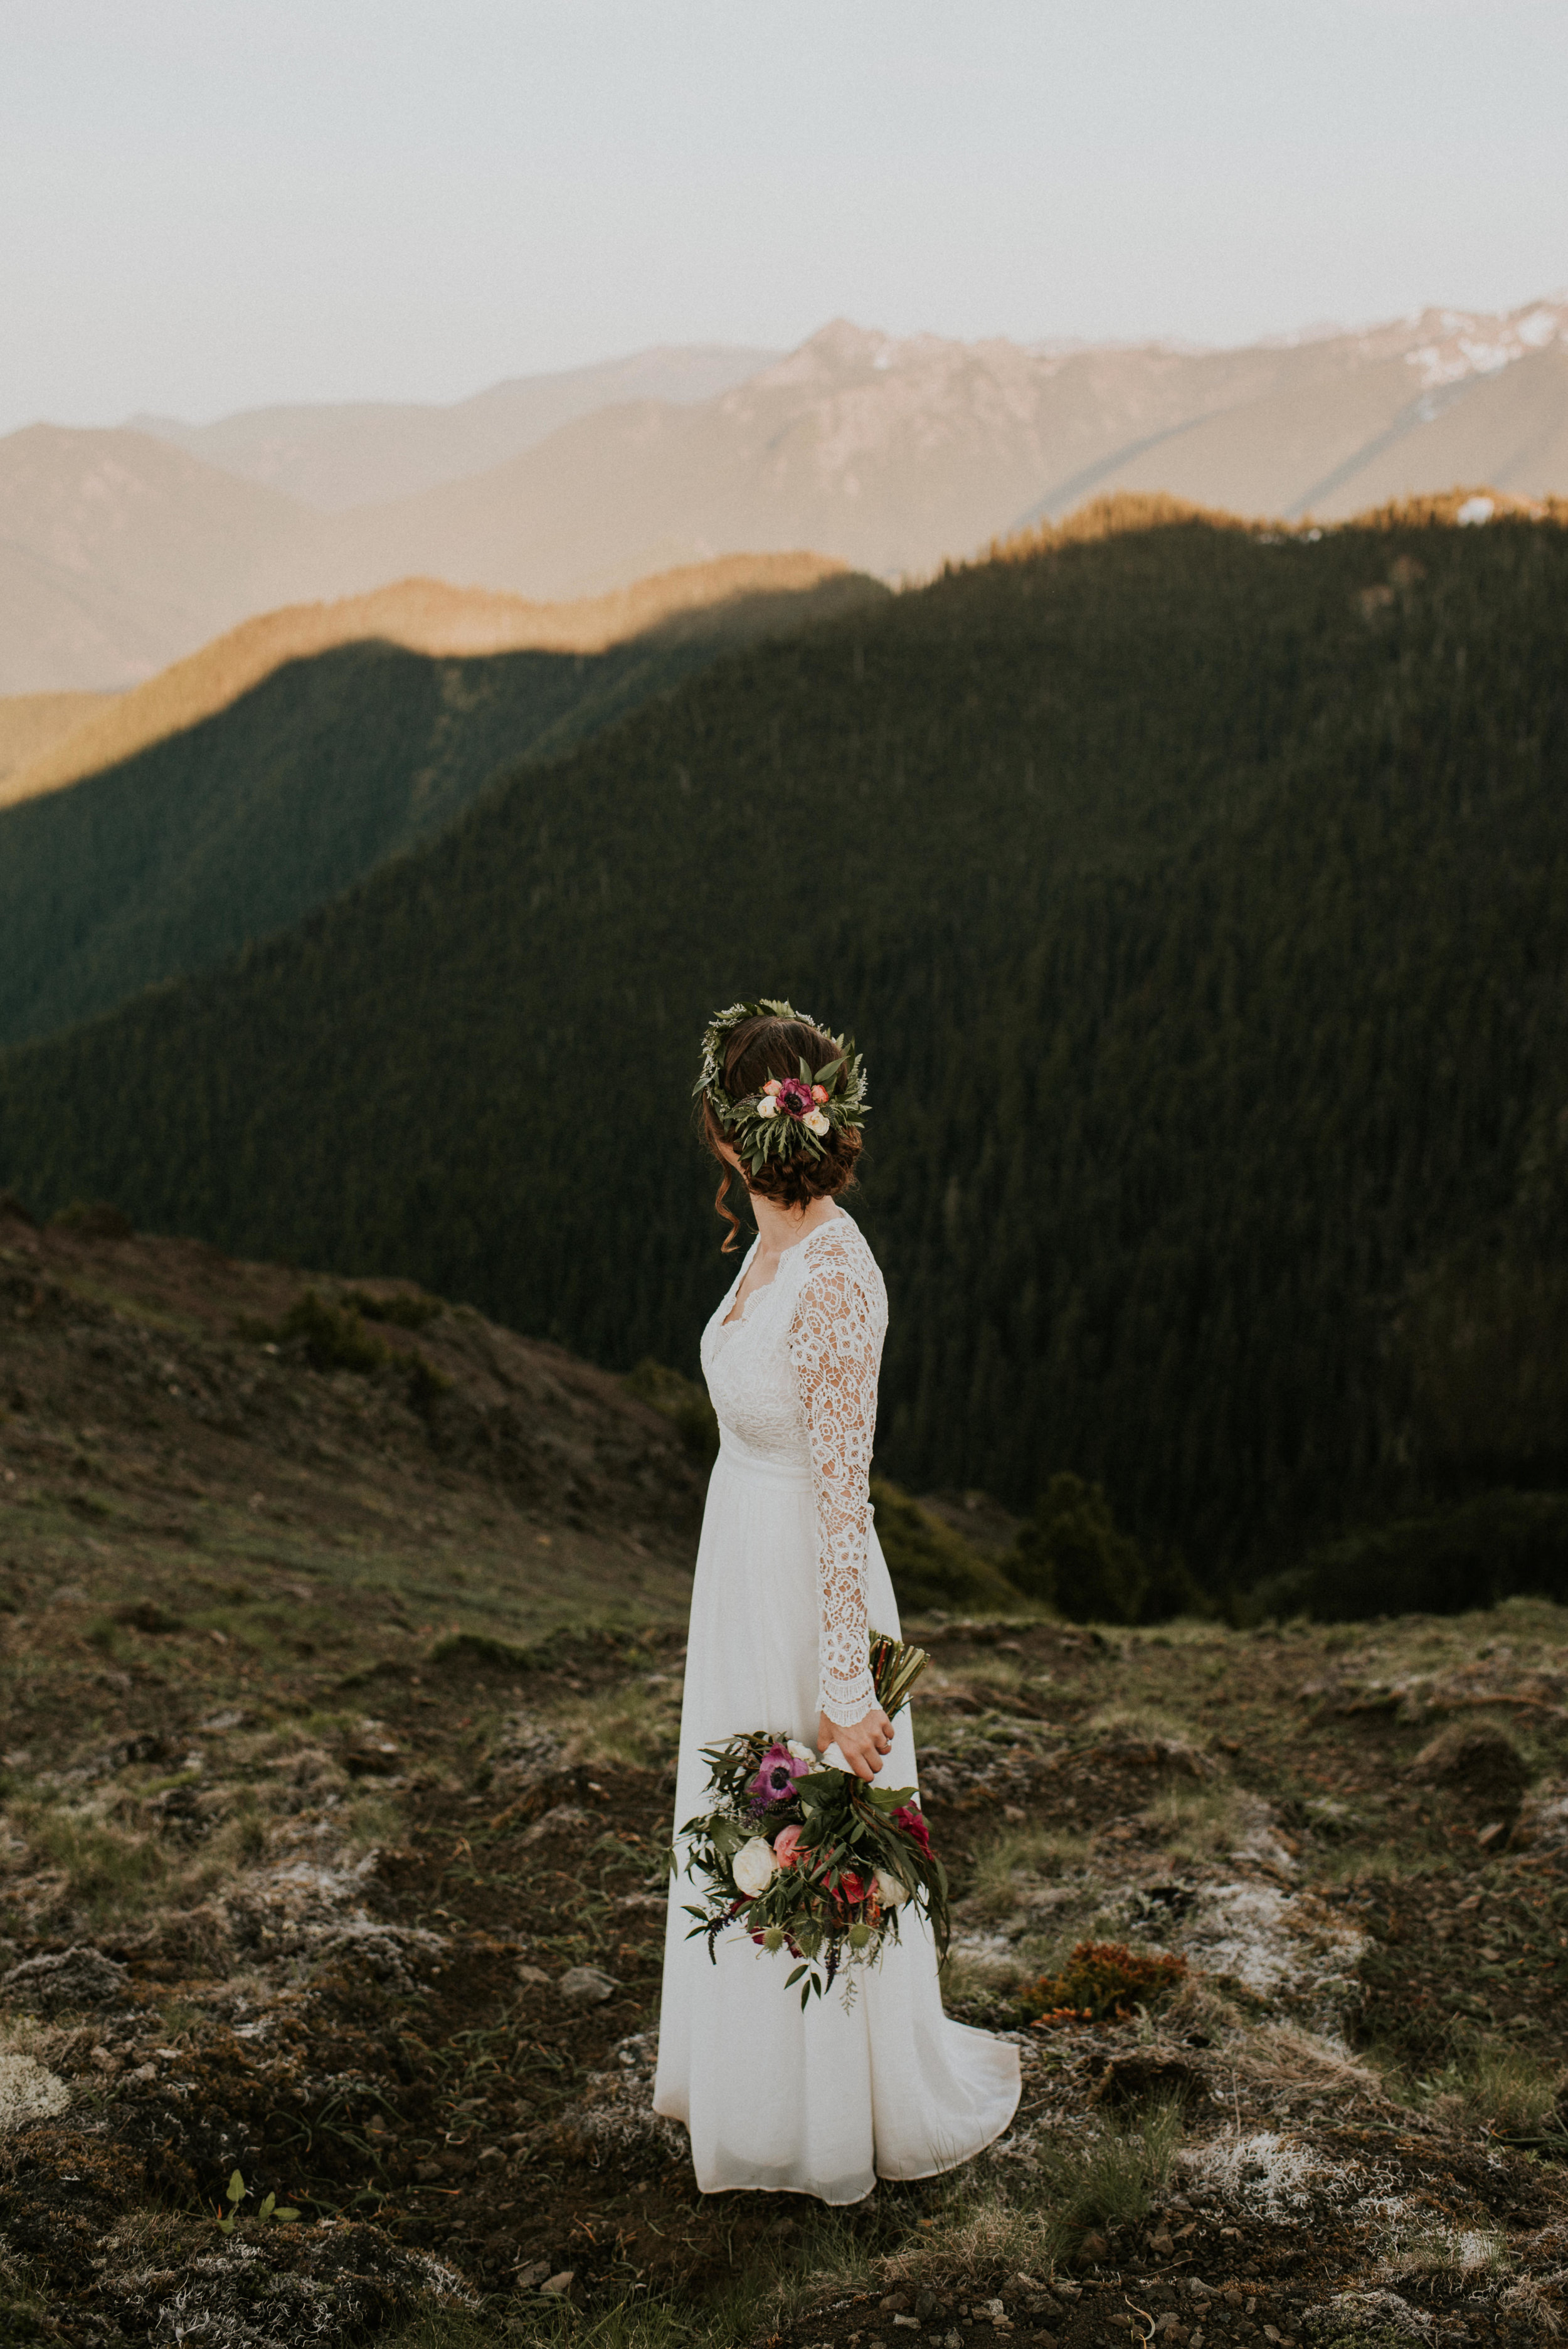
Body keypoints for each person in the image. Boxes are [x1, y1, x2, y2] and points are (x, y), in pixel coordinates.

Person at [652, 998, 1020, 2203]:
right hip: (740, 1565)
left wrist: (849, 1687)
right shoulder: (764, 1240)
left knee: (805, 1838)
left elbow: (843, 1494)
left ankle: (825, 2118)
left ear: (728, 1131)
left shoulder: (837, 1279)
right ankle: (753, 2089)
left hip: (810, 1589)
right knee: (740, 1828)